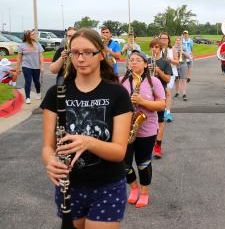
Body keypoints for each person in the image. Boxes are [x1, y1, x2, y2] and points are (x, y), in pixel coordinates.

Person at [40, 28, 133, 229]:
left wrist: (88, 142)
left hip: (107, 185)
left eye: (88, 52)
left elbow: (119, 152)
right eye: (75, 52)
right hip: (70, 186)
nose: (81, 58)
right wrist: (51, 162)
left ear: (101, 53)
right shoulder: (56, 93)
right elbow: (47, 147)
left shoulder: (117, 93)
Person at [120, 50, 165, 208]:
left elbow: (161, 105)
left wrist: (142, 101)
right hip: (124, 129)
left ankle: (144, 192)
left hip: (146, 129)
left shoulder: (154, 82)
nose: (133, 62)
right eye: (131, 60)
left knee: (143, 163)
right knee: (123, 163)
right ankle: (133, 187)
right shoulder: (121, 81)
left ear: (145, 64)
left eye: (138, 60)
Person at [149, 36, 173, 159]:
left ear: (160, 48)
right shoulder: (146, 61)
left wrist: (159, 71)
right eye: (152, 47)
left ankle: (158, 145)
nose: (154, 49)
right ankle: (147, 144)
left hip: (159, 95)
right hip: (147, 95)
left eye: (156, 47)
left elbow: (168, 79)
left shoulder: (165, 62)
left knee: (160, 121)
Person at [16, 30, 44, 104]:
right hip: (26, 66)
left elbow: (41, 57)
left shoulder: (38, 45)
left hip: (36, 66)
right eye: (32, 34)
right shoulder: (21, 45)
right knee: (28, 81)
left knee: (36, 81)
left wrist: (42, 66)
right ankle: (27, 97)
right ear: (27, 36)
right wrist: (17, 68)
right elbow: (19, 58)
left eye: (34, 34)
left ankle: (38, 92)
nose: (34, 36)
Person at [160, 33, 178, 122]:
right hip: (159, 74)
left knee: (167, 92)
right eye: (162, 38)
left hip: (171, 73)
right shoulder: (157, 49)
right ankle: (160, 111)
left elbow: (177, 61)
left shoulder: (172, 49)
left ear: (168, 40)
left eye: (165, 38)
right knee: (160, 92)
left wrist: (170, 60)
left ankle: (167, 112)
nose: (163, 40)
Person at [174, 36, 190, 101]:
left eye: (179, 40)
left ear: (181, 41)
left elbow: (188, 57)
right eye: (177, 40)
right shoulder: (173, 48)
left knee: (183, 79)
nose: (178, 41)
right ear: (175, 41)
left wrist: (183, 52)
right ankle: (177, 92)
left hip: (183, 64)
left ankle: (184, 94)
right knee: (176, 80)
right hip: (175, 65)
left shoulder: (184, 47)